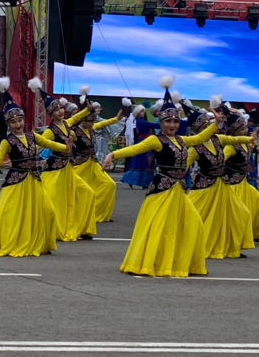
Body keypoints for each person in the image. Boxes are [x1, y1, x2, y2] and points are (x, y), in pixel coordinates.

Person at [102, 76, 217, 277]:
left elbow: (200, 137)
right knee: (158, 228)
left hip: (179, 190)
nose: (172, 125)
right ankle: (150, 263)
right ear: (161, 122)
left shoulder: (182, 139)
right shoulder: (156, 140)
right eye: (168, 121)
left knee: (193, 223)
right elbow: (135, 148)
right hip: (162, 190)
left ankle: (182, 262)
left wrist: (218, 123)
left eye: (175, 121)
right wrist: (113, 154)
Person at [0, 77, 63, 257]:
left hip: (33, 181)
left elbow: (49, 143)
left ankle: (40, 241)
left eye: (20, 121)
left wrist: (66, 147)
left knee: (47, 211)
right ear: (8, 124)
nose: (17, 125)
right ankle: (11, 240)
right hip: (16, 182)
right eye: (13, 122)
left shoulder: (32, 136)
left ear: (24, 120)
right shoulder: (8, 141)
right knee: (9, 213)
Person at [181, 96, 257, 260]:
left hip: (221, 186)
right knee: (194, 219)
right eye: (204, 126)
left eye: (208, 125)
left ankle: (230, 247)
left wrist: (249, 139)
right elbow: (182, 165)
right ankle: (197, 247)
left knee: (240, 214)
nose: (208, 128)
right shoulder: (196, 148)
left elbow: (233, 139)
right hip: (204, 188)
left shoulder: (218, 139)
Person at [29, 78, 96, 242]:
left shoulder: (66, 124)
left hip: (68, 170)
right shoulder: (50, 131)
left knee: (88, 193)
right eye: (56, 110)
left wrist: (87, 110)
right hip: (55, 171)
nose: (60, 111)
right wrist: (27, 153)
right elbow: (40, 144)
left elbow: (76, 118)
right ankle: (54, 229)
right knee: (54, 202)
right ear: (50, 114)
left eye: (60, 108)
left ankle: (84, 228)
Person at [69, 88, 124, 224]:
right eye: (90, 121)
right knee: (79, 191)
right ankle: (76, 214)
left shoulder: (91, 128)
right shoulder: (75, 132)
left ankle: (99, 214)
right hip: (79, 166)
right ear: (83, 119)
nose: (93, 124)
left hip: (92, 164)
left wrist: (115, 119)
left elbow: (103, 123)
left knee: (109, 185)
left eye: (93, 121)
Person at [221, 109, 259, 243]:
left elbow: (251, 147)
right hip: (233, 185)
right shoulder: (231, 147)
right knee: (241, 213)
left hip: (243, 183)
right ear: (235, 132)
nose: (245, 131)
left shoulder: (246, 143)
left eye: (245, 128)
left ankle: (254, 232)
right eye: (242, 130)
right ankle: (238, 239)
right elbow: (220, 160)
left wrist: (254, 137)